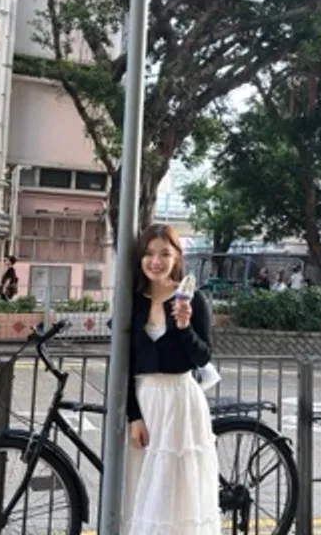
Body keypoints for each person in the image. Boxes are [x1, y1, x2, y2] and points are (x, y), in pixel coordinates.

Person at [122, 223, 220, 535]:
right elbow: (124, 365)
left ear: (177, 257)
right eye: (149, 253)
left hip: (180, 401)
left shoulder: (192, 300)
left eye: (165, 254)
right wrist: (134, 416)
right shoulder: (132, 301)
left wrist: (184, 326)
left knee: (176, 488)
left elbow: (202, 357)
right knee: (142, 486)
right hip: (144, 400)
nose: (156, 261)